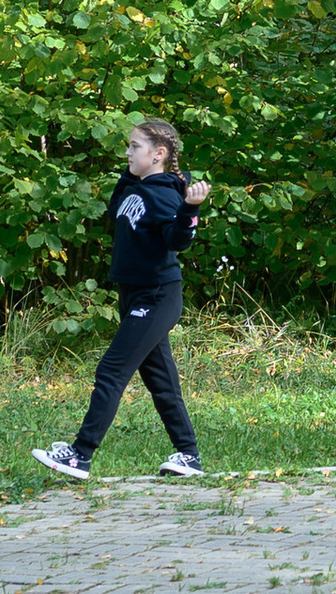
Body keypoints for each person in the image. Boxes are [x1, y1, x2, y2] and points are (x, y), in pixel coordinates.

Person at [32, 118, 211, 484]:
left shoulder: (164, 194)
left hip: (157, 295)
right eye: (128, 145)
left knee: (112, 371)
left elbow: (176, 240)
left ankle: (80, 456)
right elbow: (115, 211)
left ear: (158, 154)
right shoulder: (138, 187)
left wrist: (190, 209)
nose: (127, 152)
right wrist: (131, 174)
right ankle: (189, 456)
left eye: (135, 147)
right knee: (161, 382)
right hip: (133, 294)